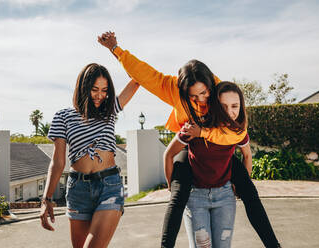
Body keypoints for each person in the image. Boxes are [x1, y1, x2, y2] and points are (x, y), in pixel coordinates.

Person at [98, 32, 281, 248]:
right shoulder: (173, 89)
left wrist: (203, 133)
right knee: (178, 196)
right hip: (191, 148)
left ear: (210, 86)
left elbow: (237, 133)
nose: (201, 100)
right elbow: (145, 74)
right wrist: (115, 49)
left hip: (219, 149)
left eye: (204, 93)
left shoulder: (221, 91)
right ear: (183, 91)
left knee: (250, 193)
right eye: (193, 96)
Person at [39, 63, 140, 248]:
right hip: (78, 189)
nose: (100, 95)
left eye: (104, 90)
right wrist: (47, 199)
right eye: (95, 90)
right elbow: (57, 161)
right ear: (83, 88)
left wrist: (114, 49)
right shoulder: (63, 117)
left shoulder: (109, 111)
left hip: (109, 186)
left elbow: (137, 79)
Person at [165, 81, 250, 248]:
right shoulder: (194, 127)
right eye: (223, 106)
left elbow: (247, 155)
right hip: (196, 197)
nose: (230, 112)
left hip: (225, 197)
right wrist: (171, 185)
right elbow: (168, 155)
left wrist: (240, 184)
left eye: (235, 106)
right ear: (214, 106)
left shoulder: (237, 131)